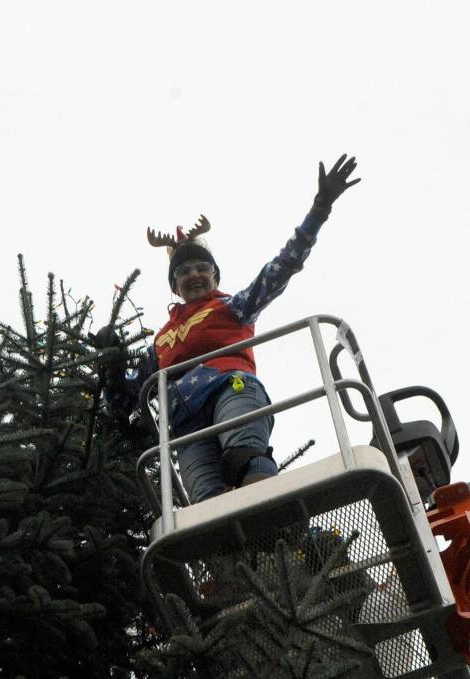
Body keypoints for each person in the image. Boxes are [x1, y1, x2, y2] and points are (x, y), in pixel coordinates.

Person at [100, 154, 360, 504]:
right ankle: (239, 555)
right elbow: (128, 398)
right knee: (209, 504)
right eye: (183, 271)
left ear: (214, 276)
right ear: (174, 285)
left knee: (243, 457)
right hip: (186, 422)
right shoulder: (161, 341)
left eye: (200, 268)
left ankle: (274, 515)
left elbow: (282, 267)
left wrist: (318, 210)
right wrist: (111, 366)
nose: (193, 274)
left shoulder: (231, 306)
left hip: (229, 386)